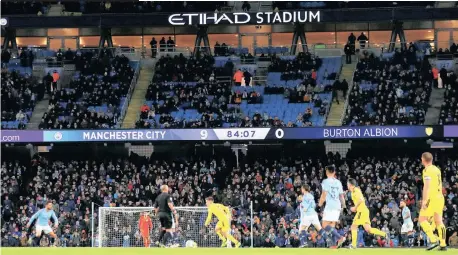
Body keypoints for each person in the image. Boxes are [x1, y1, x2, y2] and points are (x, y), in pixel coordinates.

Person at [347, 178, 387, 249]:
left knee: (353, 226)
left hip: (362, 211)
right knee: (368, 229)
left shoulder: (356, 190)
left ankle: (353, 245)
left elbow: (361, 199)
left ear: (351, 185)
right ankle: (384, 234)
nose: (347, 185)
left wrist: (355, 208)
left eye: (348, 184)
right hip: (363, 211)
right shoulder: (353, 191)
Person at [418, 152, 447, 251]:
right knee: (439, 221)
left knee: (422, 219)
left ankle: (433, 240)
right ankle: (443, 244)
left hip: (432, 198)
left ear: (423, 159)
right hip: (440, 197)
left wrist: (424, 201)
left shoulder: (427, 170)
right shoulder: (436, 169)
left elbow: (427, 186)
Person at [318, 165, 345, 248]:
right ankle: (333, 245)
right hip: (337, 205)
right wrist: (344, 206)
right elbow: (341, 196)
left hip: (330, 206)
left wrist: (319, 204)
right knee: (332, 225)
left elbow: (323, 195)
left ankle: (340, 237)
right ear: (334, 172)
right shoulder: (338, 182)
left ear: (326, 172)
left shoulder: (325, 181)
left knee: (324, 225)